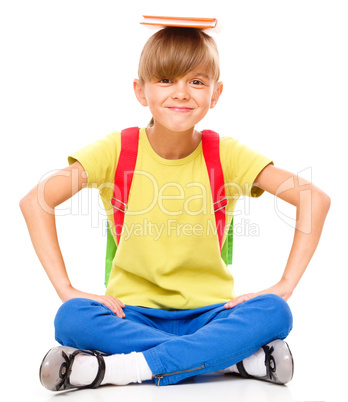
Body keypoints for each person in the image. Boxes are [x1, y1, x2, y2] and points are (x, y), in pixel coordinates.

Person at [20, 26, 330, 391]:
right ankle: (232, 360)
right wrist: (66, 288)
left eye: (197, 82)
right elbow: (35, 201)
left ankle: (119, 370)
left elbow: (313, 198)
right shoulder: (117, 150)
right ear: (140, 90)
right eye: (166, 79)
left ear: (216, 94)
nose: (181, 93)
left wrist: (286, 285)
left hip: (212, 314)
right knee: (72, 318)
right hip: (130, 313)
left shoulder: (225, 154)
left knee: (275, 311)